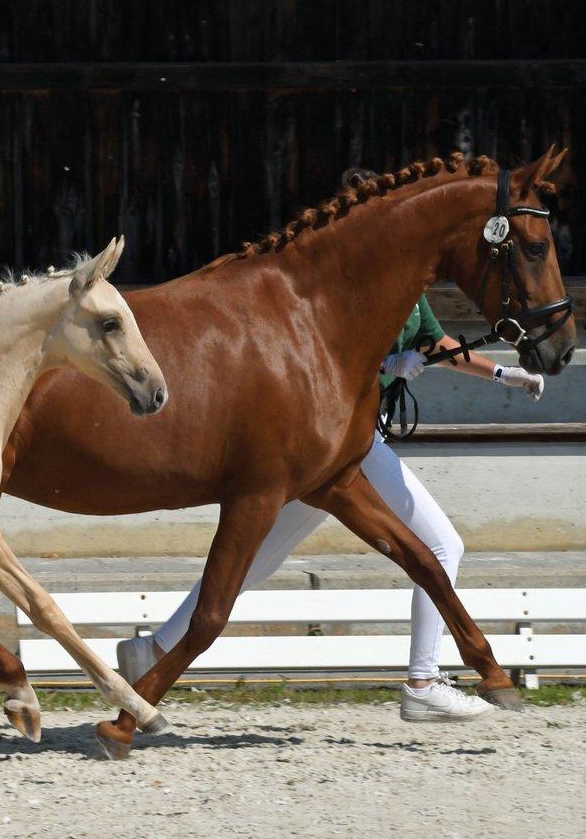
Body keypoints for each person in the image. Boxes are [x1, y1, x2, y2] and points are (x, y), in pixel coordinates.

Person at [117, 293, 545, 722]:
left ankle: (152, 649)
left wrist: (503, 373)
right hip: (345, 440)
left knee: (252, 559)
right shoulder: (365, 286)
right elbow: (327, 353)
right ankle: (424, 682)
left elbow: (436, 346)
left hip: (339, 442)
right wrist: (386, 366)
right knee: (443, 546)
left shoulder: (412, 294)